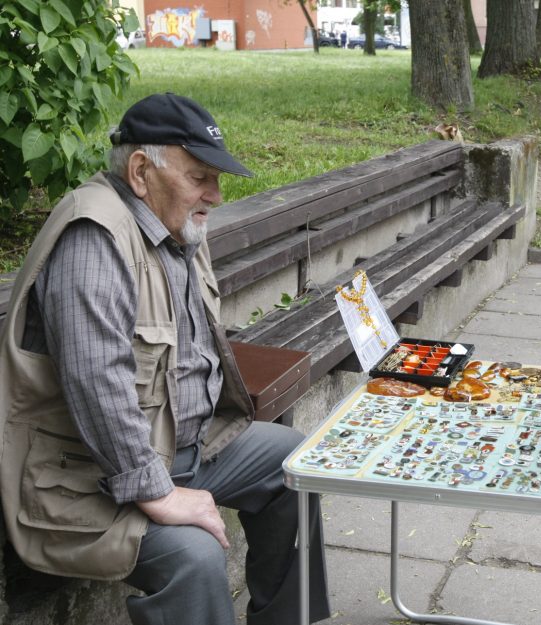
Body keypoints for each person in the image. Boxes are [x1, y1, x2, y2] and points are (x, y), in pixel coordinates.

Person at [0, 93, 330, 625]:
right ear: (140, 170)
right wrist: (159, 493)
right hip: (88, 484)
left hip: (183, 451)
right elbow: (96, 383)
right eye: (200, 176)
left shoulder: (176, 225)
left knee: (295, 464)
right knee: (194, 557)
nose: (216, 195)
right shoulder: (94, 239)